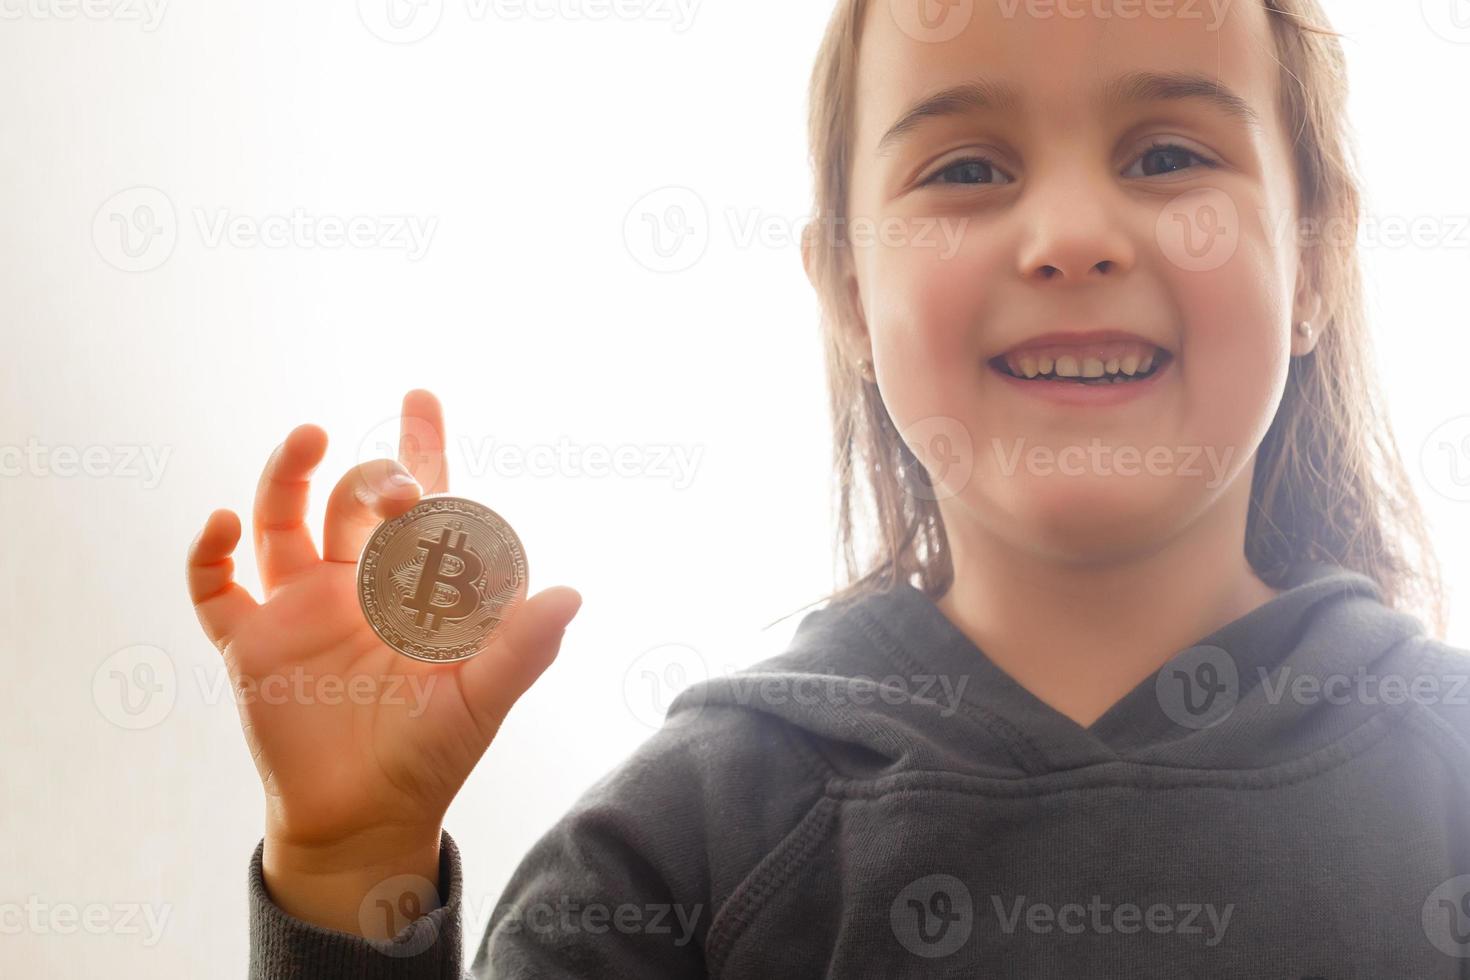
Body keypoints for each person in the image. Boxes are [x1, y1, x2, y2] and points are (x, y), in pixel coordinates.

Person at [186, 1, 1470, 975]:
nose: (1074, 232)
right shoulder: (683, 845)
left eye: (1169, 152)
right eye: (967, 169)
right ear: (849, 292)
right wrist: (350, 873)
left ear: (1315, 258)